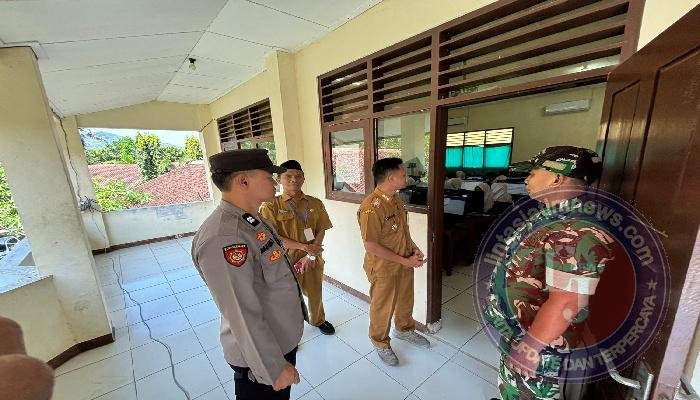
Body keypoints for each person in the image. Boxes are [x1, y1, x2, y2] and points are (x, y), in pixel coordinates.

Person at [483, 146, 614, 400]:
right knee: (511, 387)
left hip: (540, 342)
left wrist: (531, 346)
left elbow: (567, 300)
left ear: (556, 178)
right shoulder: (552, 215)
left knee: (528, 393)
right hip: (522, 330)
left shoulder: (576, 229)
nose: (526, 179)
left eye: (532, 173)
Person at [191, 149, 307, 400]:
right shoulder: (225, 237)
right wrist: (273, 368)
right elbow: (241, 311)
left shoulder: (252, 220)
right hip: (261, 358)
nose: (275, 181)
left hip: (277, 339)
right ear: (243, 181)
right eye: (268, 176)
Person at [357, 157, 430, 366]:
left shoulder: (395, 198)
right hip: (383, 267)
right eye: (403, 174)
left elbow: (401, 231)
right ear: (391, 178)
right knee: (383, 306)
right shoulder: (371, 207)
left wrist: (413, 248)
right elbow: (371, 245)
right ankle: (380, 341)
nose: (406, 177)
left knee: (405, 299)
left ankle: (404, 329)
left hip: (404, 261)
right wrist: (405, 261)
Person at [260, 160, 335, 335]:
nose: (294, 179)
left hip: (312, 257)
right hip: (284, 259)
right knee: (288, 297)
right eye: (288, 176)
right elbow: (273, 237)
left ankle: (318, 320)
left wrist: (311, 254)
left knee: (315, 292)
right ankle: (289, 331)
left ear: (303, 179)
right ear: (279, 180)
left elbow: (322, 228)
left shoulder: (315, 203)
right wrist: (304, 247)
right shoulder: (270, 206)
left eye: (298, 176)